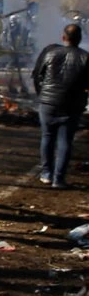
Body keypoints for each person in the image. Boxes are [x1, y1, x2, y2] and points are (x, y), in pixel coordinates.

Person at [32, 24, 88, 189]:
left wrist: (42, 95)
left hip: (48, 103)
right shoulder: (85, 57)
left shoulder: (51, 53)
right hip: (71, 105)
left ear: (64, 37)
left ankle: (46, 173)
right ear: (80, 39)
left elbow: (38, 75)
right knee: (65, 141)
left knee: (47, 137)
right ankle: (58, 179)